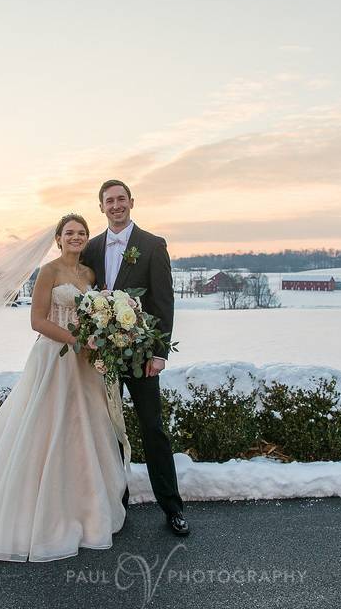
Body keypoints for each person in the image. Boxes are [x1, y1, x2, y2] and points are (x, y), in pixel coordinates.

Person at [0, 213, 130, 562]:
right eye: (69, 232)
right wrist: (77, 340)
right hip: (55, 358)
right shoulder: (49, 272)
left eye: (81, 232)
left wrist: (99, 336)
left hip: (86, 366)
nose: (76, 237)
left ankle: (86, 510)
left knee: (84, 430)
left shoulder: (89, 274)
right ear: (58, 238)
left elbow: (96, 314)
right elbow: (37, 321)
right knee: (48, 427)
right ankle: (37, 514)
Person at [80, 179, 189, 537]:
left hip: (142, 356)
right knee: (109, 432)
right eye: (109, 201)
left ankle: (172, 507)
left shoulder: (153, 245)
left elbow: (163, 302)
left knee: (152, 429)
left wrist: (159, 353)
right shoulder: (91, 248)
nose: (115, 205)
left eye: (121, 199)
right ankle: (116, 508)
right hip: (105, 358)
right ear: (101, 207)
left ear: (131, 202)